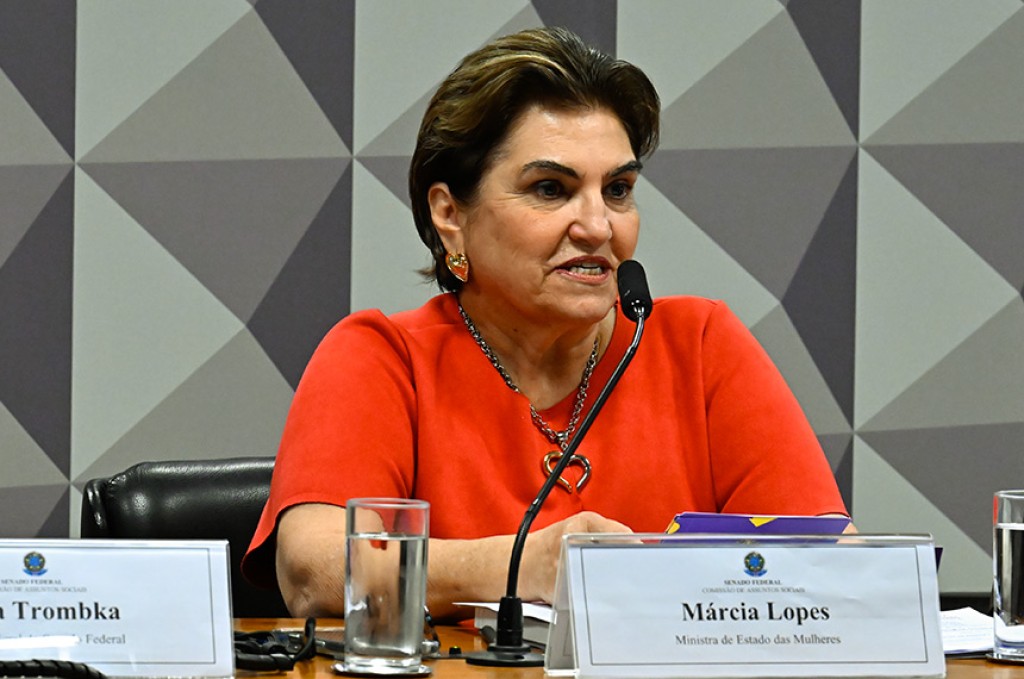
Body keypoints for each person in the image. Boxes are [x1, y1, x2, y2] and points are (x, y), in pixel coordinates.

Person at [242, 26, 848, 620]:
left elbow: (834, 568)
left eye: (618, 189)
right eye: (551, 189)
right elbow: (314, 570)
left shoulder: (700, 345)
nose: (598, 227)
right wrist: (522, 566)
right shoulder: (382, 358)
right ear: (450, 214)